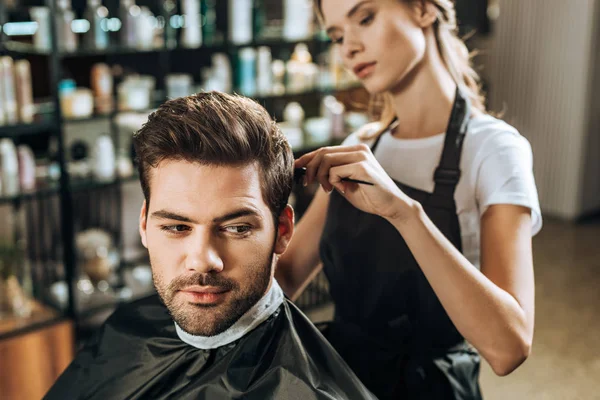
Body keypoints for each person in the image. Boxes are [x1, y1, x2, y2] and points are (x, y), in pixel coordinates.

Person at [276, 0, 542, 399]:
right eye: (337, 36)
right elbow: (289, 273)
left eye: (365, 18)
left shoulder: (493, 149)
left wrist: (404, 213)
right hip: (344, 383)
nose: (348, 48)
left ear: (422, 9)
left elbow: (508, 349)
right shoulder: (360, 145)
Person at [45, 92, 376, 400]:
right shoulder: (126, 330)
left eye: (235, 228)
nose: (202, 261)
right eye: (176, 226)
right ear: (145, 226)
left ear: (283, 231)